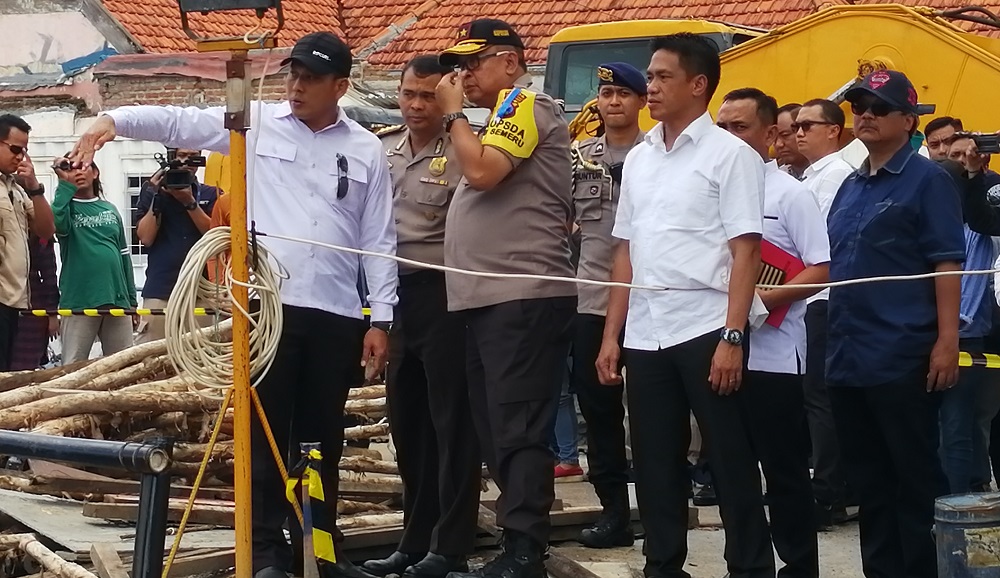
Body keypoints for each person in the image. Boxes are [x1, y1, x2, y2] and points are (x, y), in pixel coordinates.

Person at [71, 31, 397, 578]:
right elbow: (181, 122)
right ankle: (267, 556)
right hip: (268, 311)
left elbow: (378, 239)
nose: (297, 86)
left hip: (337, 315)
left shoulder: (365, 148)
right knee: (263, 436)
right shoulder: (257, 122)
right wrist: (113, 122)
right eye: (293, 74)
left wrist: (381, 317)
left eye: (312, 78)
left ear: (340, 86)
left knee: (321, 442)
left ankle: (319, 555)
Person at [596, 33, 769, 578]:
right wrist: (611, 335)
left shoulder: (731, 155)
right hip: (646, 332)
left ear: (698, 85)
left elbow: (746, 250)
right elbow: (625, 250)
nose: (650, 87)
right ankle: (663, 565)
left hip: (706, 326)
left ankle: (749, 567)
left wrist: (732, 336)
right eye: (649, 76)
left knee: (731, 459)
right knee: (653, 463)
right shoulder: (641, 158)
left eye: (662, 77)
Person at [435, 19, 576, 578]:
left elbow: (484, 171)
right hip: (484, 299)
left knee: (517, 424)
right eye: (461, 65)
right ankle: (515, 539)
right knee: (494, 425)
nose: (465, 74)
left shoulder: (526, 104)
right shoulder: (492, 121)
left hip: (521, 294)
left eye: (476, 63)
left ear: (512, 64)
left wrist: (452, 117)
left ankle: (524, 549)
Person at [828, 69, 962, 578]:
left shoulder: (929, 180)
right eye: (859, 105)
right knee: (868, 481)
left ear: (908, 120)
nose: (864, 114)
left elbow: (947, 261)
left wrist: (946, 340)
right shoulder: (849, 185)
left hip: (902, 352)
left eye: (878, 107)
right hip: (848, 354)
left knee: (914, 478)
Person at [362, 55, 480, 578]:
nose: (415, 105)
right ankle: (414, 540)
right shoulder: (383, 149)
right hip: (392, 296)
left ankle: (450, 543)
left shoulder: (464, 148)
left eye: (428, 96)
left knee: (452, 424)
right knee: (407, 423)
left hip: (446, 293)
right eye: (409, 93)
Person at [718, 87, 829, 578]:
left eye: (739, 128)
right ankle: (745, 564)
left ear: (770, 135)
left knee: (783, 471)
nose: (729, 138)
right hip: (715, 351)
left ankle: (799, 565)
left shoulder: (790, 193)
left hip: (773, 357)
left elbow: (820, 269)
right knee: (730, 471)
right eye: (722, 128)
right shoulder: (708, 188)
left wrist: (759, 301)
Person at [569, 61, 646, 549]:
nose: (612, 101)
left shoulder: (656, 155)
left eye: (623, 93)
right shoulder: (578, 157)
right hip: (591, 299)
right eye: (605, 93)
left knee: (656, 415)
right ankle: (613, 511)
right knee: (598, 414)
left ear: (641, 100)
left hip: (653, 302)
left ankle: (663, 509)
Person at [795, 98, 854, 528]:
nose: (798, 132)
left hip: (824, 297)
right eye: (795, 125)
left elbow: (819, 241)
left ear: (833, 130)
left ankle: (829, 492)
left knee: (821, 398)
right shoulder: (811, 175)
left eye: (807, 125)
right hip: (809, 298)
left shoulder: (834, 176)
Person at [50, 158, 137, 364]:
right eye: (71, 169)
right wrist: (64, 184)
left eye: (83, 167)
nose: (78, 172)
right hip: (80, 299)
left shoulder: (111, 209)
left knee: (123, 366)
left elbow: (124, 255)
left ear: (95, 173)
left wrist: (131, 301)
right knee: (72, 365)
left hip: (117, 298)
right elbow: (58, 225)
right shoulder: (65, 207)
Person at [134, 147, 218, 343]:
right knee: (154, 362)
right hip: (161, 291)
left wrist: (189, 202)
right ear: (170, 157)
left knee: (202, 359)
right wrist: (156, 197)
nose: (185, 162)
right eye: (180, 156)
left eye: (192, 157)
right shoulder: (152, 192)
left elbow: (215, 235)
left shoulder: (211, 194)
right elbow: (145, 238)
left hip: (201, 292)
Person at [0, 114, 55, 370]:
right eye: (15, 149)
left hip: (14, 299)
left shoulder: (16, 188)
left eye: (24, 150)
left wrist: (34, 186)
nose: (21, 156)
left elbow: (46, 229)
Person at [11, 234, 59, 370]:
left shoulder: (39, 234)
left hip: (32, 311)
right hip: (8, 306)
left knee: (25, 367)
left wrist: (52, 314)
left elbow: (49, 277)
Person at [775, 104, 809, 179]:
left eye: (785, 135)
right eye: (774, 139)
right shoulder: (776, 177)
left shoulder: (831, 172)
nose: (778, 144)